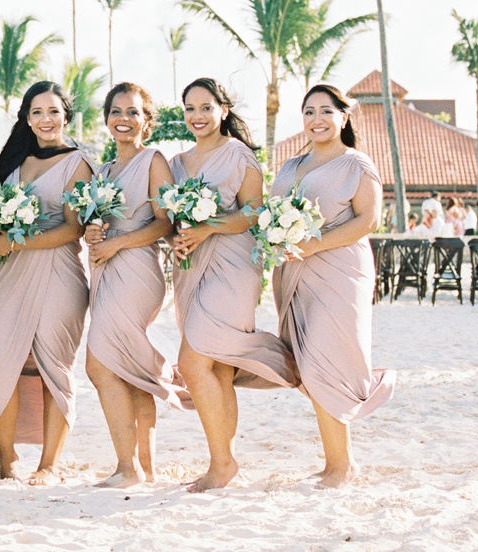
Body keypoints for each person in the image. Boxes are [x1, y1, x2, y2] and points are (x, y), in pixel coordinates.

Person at [169, 78, 298, 492]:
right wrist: (180, 236)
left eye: (206, 107)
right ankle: (221, 462)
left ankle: (222, 463)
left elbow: (254, 213)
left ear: (223, 110)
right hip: (191, 264)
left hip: (233, 264)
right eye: (190, 108)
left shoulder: (239, 155)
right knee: (216, 366)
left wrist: (207, 229)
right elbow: (171, 219)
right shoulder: (176, 162)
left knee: (193, 361)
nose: (197, 116)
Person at [272, 84, 395, 489]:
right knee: (308, 364)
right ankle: (333, 462)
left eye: (326, 110)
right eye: (309, 112)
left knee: (329, 358)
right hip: (293, 272)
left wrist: (314, 244)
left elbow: (367, 221)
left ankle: (343, 465)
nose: (317, 119)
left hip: (341, 270)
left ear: (344, 116)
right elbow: (272, 214)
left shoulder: (357, 164)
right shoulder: (290, 166)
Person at [0, 81, 93, 484]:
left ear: (66, 114)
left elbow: (73, 230)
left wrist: (17, 240)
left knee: (54, 367)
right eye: (36, 112)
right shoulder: (14, 162)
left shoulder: (77, 162)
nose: (45, 120)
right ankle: (7, 458)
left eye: (53, 111)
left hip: (58, 274)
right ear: (26, 118)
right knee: (3, 364)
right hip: (10, 277)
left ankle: (49, 464)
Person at [85, 82, 186, 488]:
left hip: (136, 270)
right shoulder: (105, 171)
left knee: (99, 364)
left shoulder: (154, 161)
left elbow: (165, 223)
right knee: (126, 367)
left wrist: (117, 243)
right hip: (105, 268)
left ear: (148, 121)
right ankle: (144, 467)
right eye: (116, 111)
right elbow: (99, 220)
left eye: (132, 112)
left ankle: (127, 467)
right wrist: (93, 234)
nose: (123, 119)